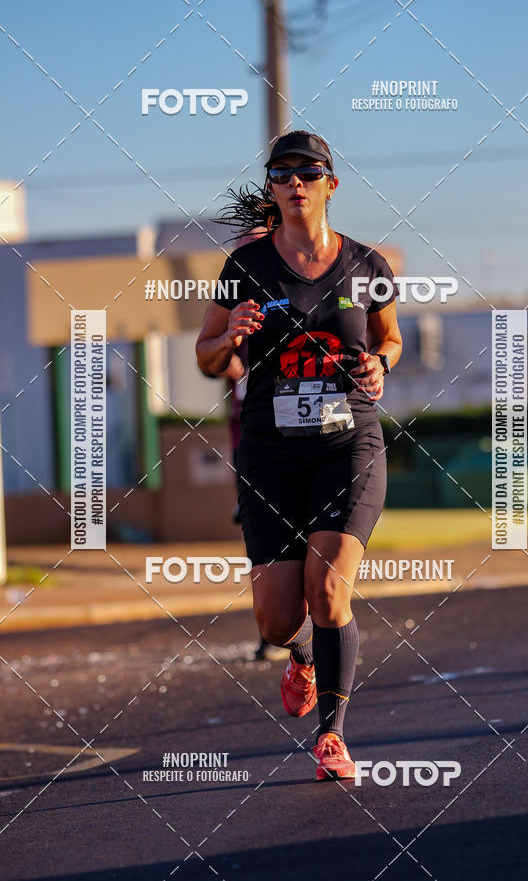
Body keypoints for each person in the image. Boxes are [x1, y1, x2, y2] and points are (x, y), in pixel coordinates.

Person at [196, 130, 402, 781]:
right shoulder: (245, 269)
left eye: (307, 172)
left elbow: (390, 340)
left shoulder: (365, 266)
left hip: (349, 445)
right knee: (280, 616)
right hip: (269, 454)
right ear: (272, 189)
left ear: (330, 184)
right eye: (281, 174)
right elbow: (209, 360)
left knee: (330, 587)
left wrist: (380, 366)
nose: (294, 182)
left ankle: (332, 737)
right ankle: (303, 654)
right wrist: (229, 335)